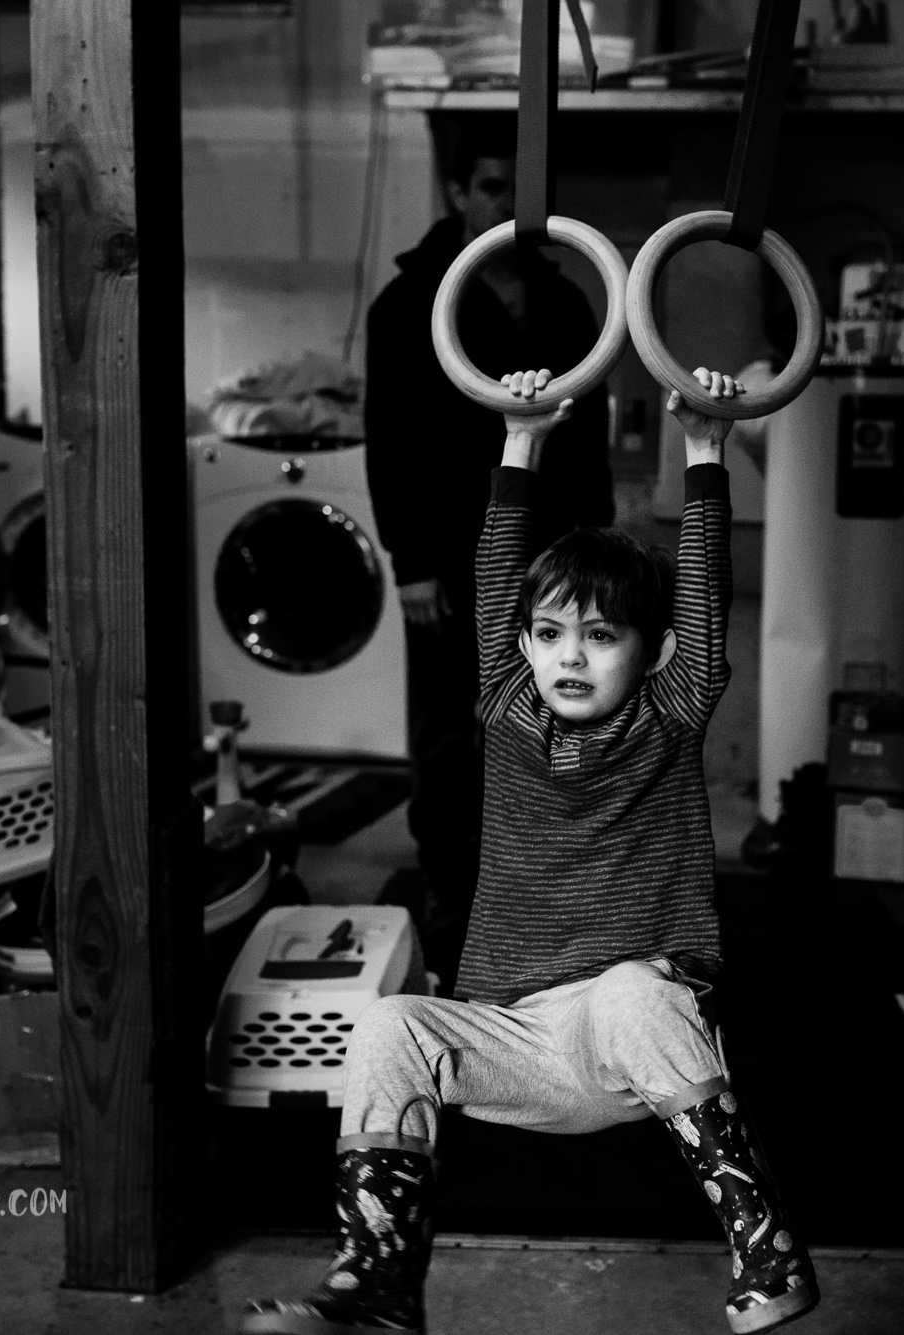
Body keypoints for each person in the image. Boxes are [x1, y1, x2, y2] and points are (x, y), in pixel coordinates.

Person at [240, 368, 819, 1335]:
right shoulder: (508, 715)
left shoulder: (671, 718)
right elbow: (495, 581)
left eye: (600, 636)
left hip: (631, 1037)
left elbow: (710, 620)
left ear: (653, 649)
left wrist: (708, 450)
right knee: (388, 1025)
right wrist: (520, 441)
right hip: (514, 1039)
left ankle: (766, 1244)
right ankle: (379, 1284)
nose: (570, 657)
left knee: (636, 989)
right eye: (548, 635)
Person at [363, 125, 614, 989]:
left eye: (524, 191)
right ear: (460, 194)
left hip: (548, 561)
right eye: (495, 187)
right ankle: (450, 926)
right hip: (450, 559)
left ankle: (543, 919)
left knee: (552, 732)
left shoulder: (570, 305)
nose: (512, 206)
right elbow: (389, 442)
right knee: (449, 747)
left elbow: (592, 439)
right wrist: (410, 562)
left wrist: (600, 550)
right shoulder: (408, 306)